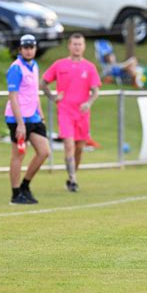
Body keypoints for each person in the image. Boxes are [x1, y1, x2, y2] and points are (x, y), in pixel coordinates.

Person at [41, 33, 101, 192]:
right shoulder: (60, 64)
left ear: (84, 46)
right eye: (74, 44)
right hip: (65, 111)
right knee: (69, 145)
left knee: (79, 147)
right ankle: (73, 180)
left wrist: (88, 103)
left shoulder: (89, 67)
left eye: (80, 44)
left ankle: (72, 176)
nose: (77, 47)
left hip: (82, 114)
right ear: (69, 45)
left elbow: (95, 91)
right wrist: (53, 96)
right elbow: (44, 83)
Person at [5, 34, 50, 205]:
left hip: (34, 116)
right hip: (17, 118)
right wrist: (21, 124)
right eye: (26, 47)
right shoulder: (16, 68)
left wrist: (41, 113)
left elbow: (33, 92)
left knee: (44, 151)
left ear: (35, 49)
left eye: (31, 47)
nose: (29, 50)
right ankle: (15, 194)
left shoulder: (34, 65)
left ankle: (25, 185)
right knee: (18, 155)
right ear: (20, 49)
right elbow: (13, 97)